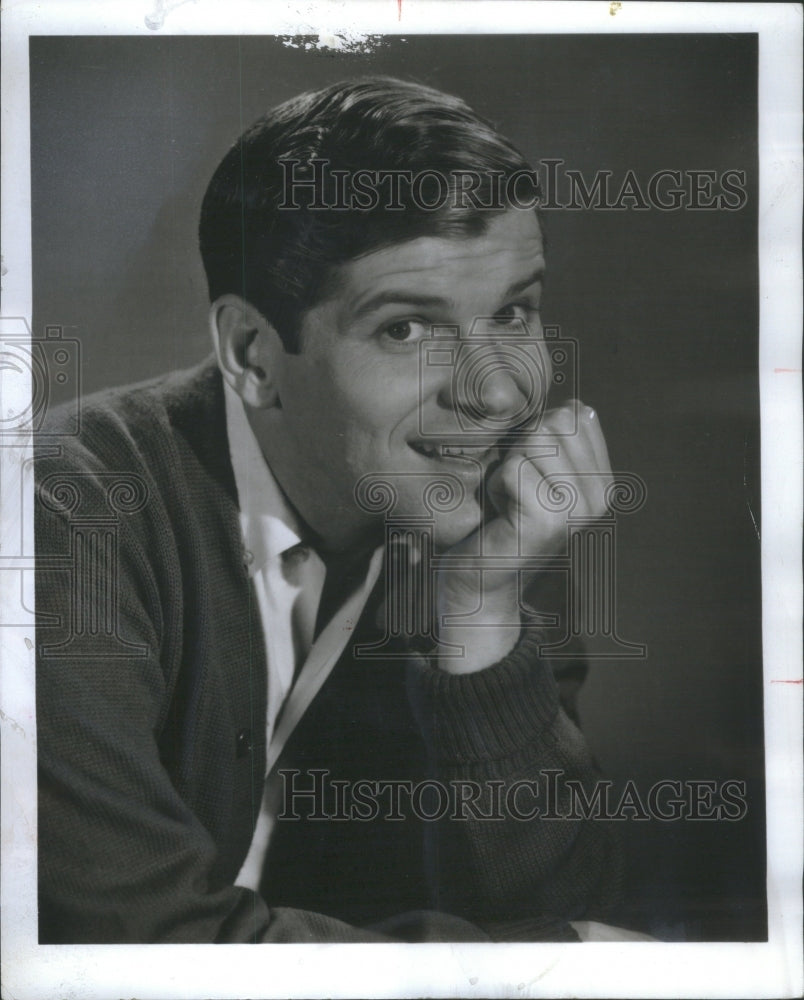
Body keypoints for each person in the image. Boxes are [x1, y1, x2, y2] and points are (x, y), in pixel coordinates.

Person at [35, 76, 626, 943]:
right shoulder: (61, 514)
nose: (498, 392)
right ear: (253, 354)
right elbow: (136, 946)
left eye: (513, 312)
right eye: (406, 330)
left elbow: (562, 908)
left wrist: (483, 613)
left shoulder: (492, 527)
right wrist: (520, 963)